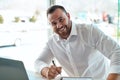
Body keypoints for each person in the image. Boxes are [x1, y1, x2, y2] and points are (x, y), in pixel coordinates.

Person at [34, 5, 120, 80]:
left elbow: (116, 51)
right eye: (54, 23)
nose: (59, 25)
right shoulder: (51, 42)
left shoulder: (89, 31)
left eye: (61, 19)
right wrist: (46, 71)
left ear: (68, 16)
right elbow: (38, 62)